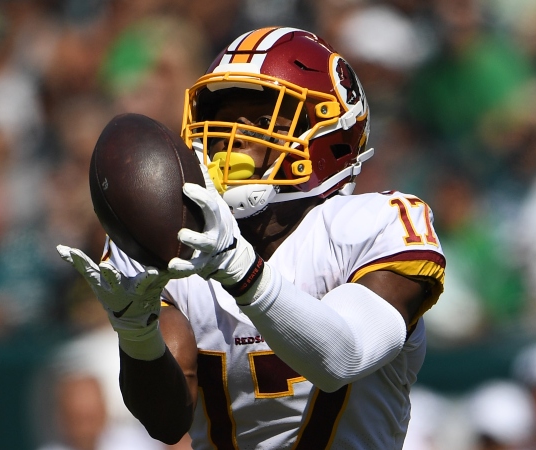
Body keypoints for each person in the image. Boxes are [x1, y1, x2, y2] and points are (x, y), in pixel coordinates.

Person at [58, 27, 446, 449]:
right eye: (224, 120)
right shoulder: (181, 237)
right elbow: (166, 422)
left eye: (263, 120)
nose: (235, 137)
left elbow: (343, 356)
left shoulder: (374, 224)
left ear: (331, 137)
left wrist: (242, 269)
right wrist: (136, 332)